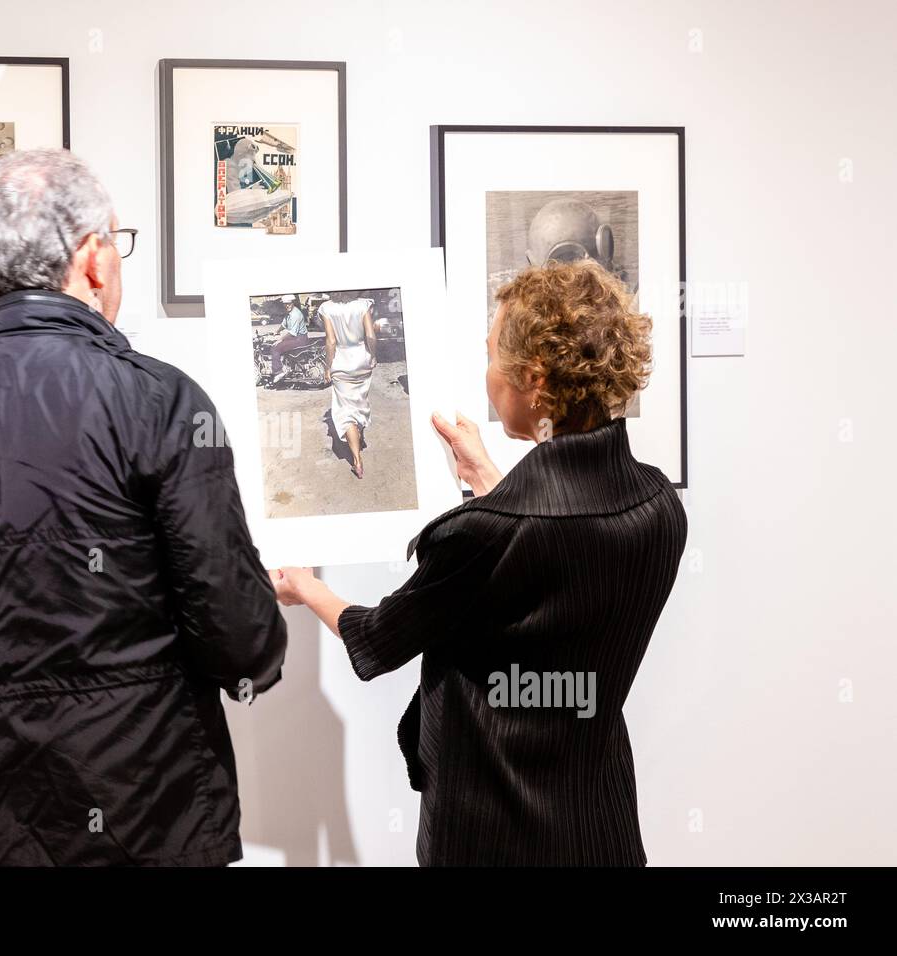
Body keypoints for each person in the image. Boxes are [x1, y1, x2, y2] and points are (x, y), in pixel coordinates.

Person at [0, 148, 287, 867]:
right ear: (94, 257)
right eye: (119, 242)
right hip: (143, 827)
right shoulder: (160, 404)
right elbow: (244, 647)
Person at [273, 260, 687, 865]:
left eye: (493, 356)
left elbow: (379, 637)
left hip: (489, 836)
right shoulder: (657, 508)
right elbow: (555, 562)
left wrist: (308, 588)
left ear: (535, 380)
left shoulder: (485, 534)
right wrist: (495, 484)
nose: (486, 372)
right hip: (601, 830)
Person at [318, 292, 377, 478]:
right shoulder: (363, 305)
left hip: (341, 363)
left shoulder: (327, 308)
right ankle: (359, 436)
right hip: (362, 361)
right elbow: (370, 335)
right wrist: (373, 356)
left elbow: (331, 341)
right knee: (359, 404)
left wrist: (327, 367)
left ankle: (357, 461)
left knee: (346, 412)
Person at [269, 293, 311, 384]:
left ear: (293, 303)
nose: (287, 305)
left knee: (275, 347)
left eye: (289, 303)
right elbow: (284, 324)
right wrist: (277, 331)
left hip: (300, 339)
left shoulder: (295, 314)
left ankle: (278, 372)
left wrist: (280, 339)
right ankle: (288, 368)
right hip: (296, 338)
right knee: (281, 346)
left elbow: (292, 332)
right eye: (285, 304)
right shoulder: (290, 313)